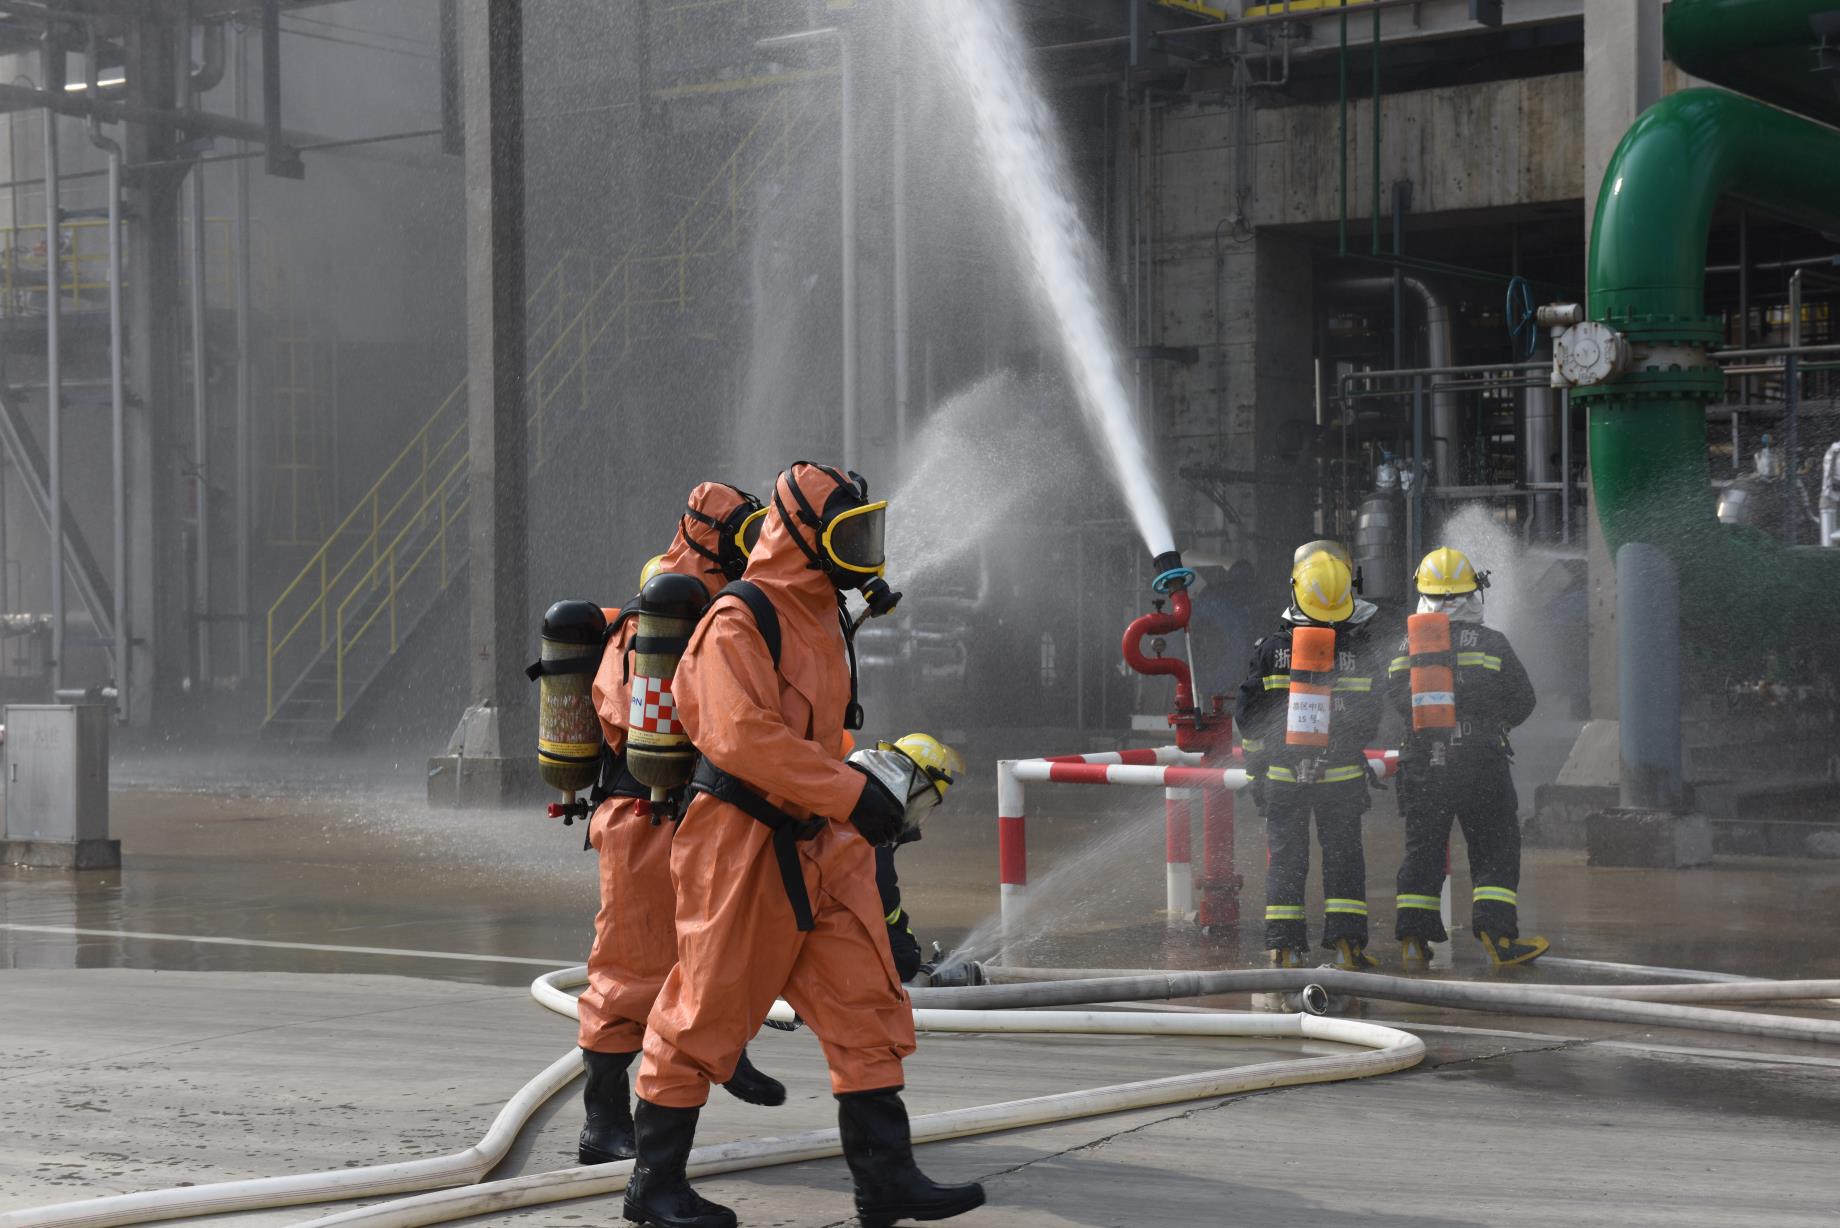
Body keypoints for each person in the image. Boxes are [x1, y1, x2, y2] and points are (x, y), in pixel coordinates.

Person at [628, 463, 985, 1228]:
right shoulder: (737, 620)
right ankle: (654, 1188)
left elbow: (820, 730)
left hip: (823, 843)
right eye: (847, 535)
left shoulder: (820, 615)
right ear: (802, 537)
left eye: (868, 533)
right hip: (742, 846)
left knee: (868, 1003)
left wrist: (868, 790)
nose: (863, 549)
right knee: (703, 1015)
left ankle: (886, 1181)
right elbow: (742, 737)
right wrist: (853, 794)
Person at [573, 482, 783, 1167]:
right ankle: (604, 1121)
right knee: (629, 973)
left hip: (702, 811)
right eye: (743, 532)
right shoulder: (654, 617)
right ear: (715, 536)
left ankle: (725, 1051)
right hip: (643, 814)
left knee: (725, 948)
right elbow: (624, 712)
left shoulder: (727, 607)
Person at [1388, 547, 1546, 968]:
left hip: (1423, 764)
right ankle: (1498, 938)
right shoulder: (1492, 642)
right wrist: (1493, 724)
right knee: (1494, 845)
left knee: (1422, 849)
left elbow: (1394, 697)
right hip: (1480, 762)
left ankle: (1412, 941)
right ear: (1471, 593)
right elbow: (1524, 699)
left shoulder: (1406, 646)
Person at [1236, 546, 1387, 972]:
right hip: (1340, 782)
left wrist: (1259, 770)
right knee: (1343, 859)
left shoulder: (1270, 651)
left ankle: (1285, 949)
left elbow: (1248, 717)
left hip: (1284, 781)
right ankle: (1346, 948)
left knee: (1286, 860)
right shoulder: (1358, 654)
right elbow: (1370, 718)